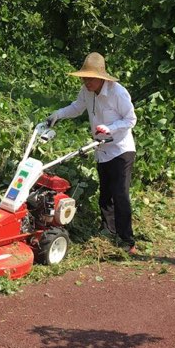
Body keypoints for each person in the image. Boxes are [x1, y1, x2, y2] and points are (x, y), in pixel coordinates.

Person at [46, 52, 138, 255]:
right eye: (83, 78)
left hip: (121, 149)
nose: (86, 82)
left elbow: (131, 119)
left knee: (120, 194)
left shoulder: (118, 92)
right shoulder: (87, 92)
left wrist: (110, 128)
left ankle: (127, 240)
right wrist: (58, 115)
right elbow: (77, 108)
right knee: (105, 193)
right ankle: (108, 229)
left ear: (100, 78)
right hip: (101, 149)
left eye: (89, 79)